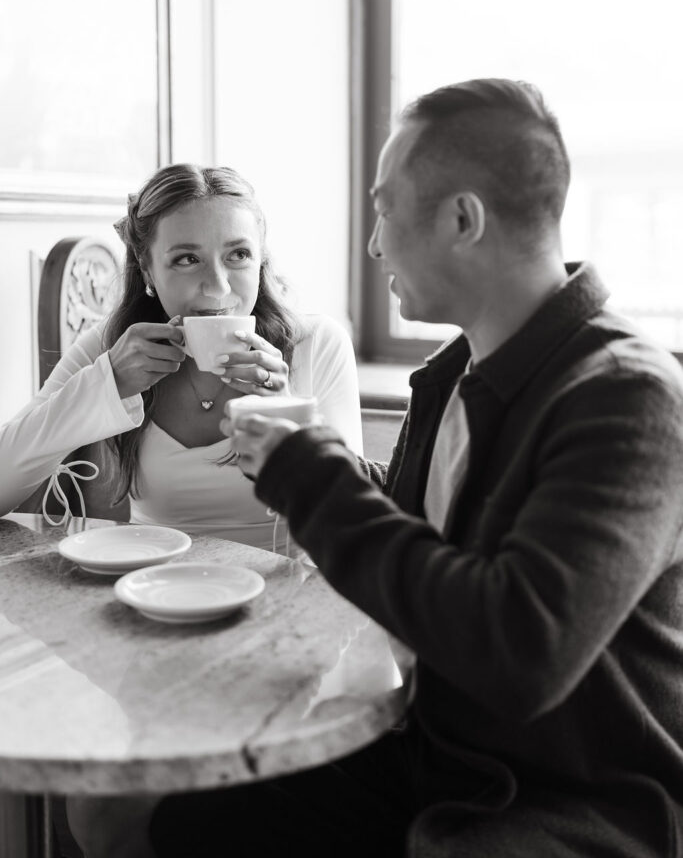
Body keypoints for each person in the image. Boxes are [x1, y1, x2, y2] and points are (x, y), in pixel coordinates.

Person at [149, 79, 683, 857]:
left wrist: (311, 475)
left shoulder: (627, 401)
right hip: (440, 755)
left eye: (385, 209)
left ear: (462, 219)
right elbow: (418, 541)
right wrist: (304, 451)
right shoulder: (454, 374)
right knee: (192, 820)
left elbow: (517, 655)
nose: (373, 244)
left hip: (575, 795)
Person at [0, 163, 362, 550]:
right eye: (187, 259)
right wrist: (106, 383)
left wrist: (289, 413)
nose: (218, 287)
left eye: (238, 254)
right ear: (148, 270)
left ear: (260, 262)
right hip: (151, 588)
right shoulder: (108, 346)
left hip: (287, 592)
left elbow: (355, 518)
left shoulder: (317, 343)